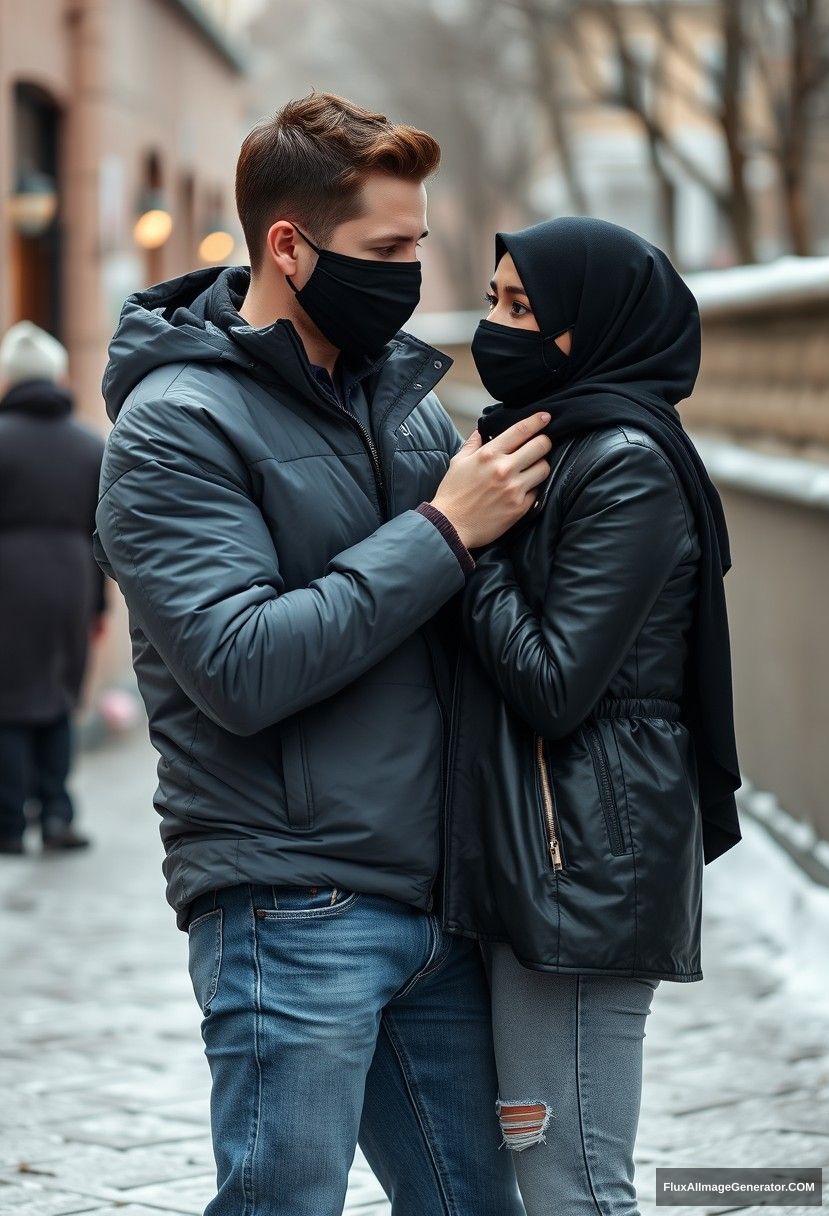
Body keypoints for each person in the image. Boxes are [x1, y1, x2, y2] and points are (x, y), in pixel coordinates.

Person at [93, 93, 551, 1216]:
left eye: (417, 246)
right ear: (288, 247)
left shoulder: (401, 401)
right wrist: (443, 529)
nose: (409, 274)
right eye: (386, 250)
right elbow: (242, 663)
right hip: (292, 905)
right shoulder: (175, 424)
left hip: (439, 904)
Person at [441, 217, 743, 1216]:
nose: (495, 327)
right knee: (553, 1171)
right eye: (493, 300)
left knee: (573, 1184)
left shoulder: (622, 462)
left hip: (582, 872)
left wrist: (464, 545)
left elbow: (555, 682)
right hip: (550, 858)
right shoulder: (552, 445)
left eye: (523, 309)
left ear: (595, 325)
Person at [0, 321, 105, 855]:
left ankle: (10, 823)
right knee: (59, 697)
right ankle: (58, 814)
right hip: (71, 577)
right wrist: (99, 604)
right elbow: (105, 532)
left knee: (10, 703)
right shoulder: (89, 444)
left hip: (9, 583)